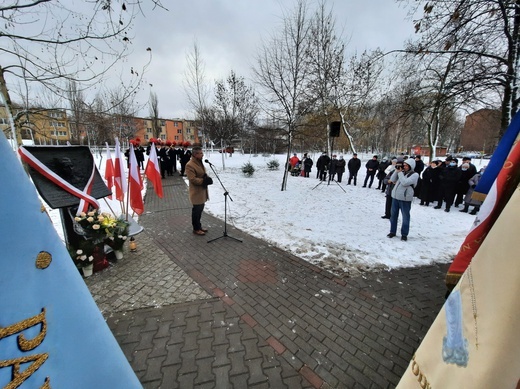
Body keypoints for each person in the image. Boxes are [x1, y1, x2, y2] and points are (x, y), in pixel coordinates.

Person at [387, 158, 419, 241]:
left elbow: (405, 182)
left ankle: (404, 234)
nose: (403, 167)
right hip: (395, 197)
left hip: (405, 199)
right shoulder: (401, 172)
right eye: (403, 165)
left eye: (405, 165)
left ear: (410, 166)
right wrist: (396, 170)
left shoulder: (415, 175)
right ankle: (392, 231)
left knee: (405, 217)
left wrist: (400, 173)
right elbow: (392, 180)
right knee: (393, 216)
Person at [185, 146, 213, 235]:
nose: (202, 154)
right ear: (195, 154)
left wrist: (207, 178)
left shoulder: (199, 162)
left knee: (200, 210)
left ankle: (199, 226)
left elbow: (202, 173)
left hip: (202, 190)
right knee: (196, 211)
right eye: (201, 153)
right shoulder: (190, 164)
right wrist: (203, 181)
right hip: (196, 192)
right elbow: (192, 179)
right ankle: (196, 228)